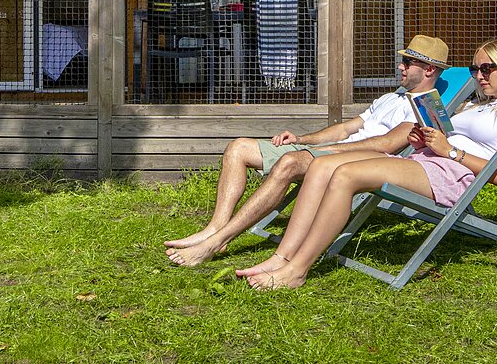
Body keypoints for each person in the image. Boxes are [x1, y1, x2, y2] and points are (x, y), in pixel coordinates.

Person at [236, 38, 497, 290]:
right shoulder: (475, 105)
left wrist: (450, 152)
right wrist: (426, 139)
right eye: (475, 69)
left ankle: (297, 270)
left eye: (486, 68)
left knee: (345, 175)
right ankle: (281, 257)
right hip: (425, 158)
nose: (478, 76)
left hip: (449, 173)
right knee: (321, 166)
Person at [163, 34, 450, 267]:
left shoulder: (425, 107)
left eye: (408, 62)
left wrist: (332, 149)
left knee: (289, 163)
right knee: (238, 148)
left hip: (360, 159)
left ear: (429, 70)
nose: (401, 66)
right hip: (334, 148)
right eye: (403, 60)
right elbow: (344, 128)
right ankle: (216, 227)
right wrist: (305, 139)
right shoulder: (391, 97)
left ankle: (215, 243)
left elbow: (388, 144)